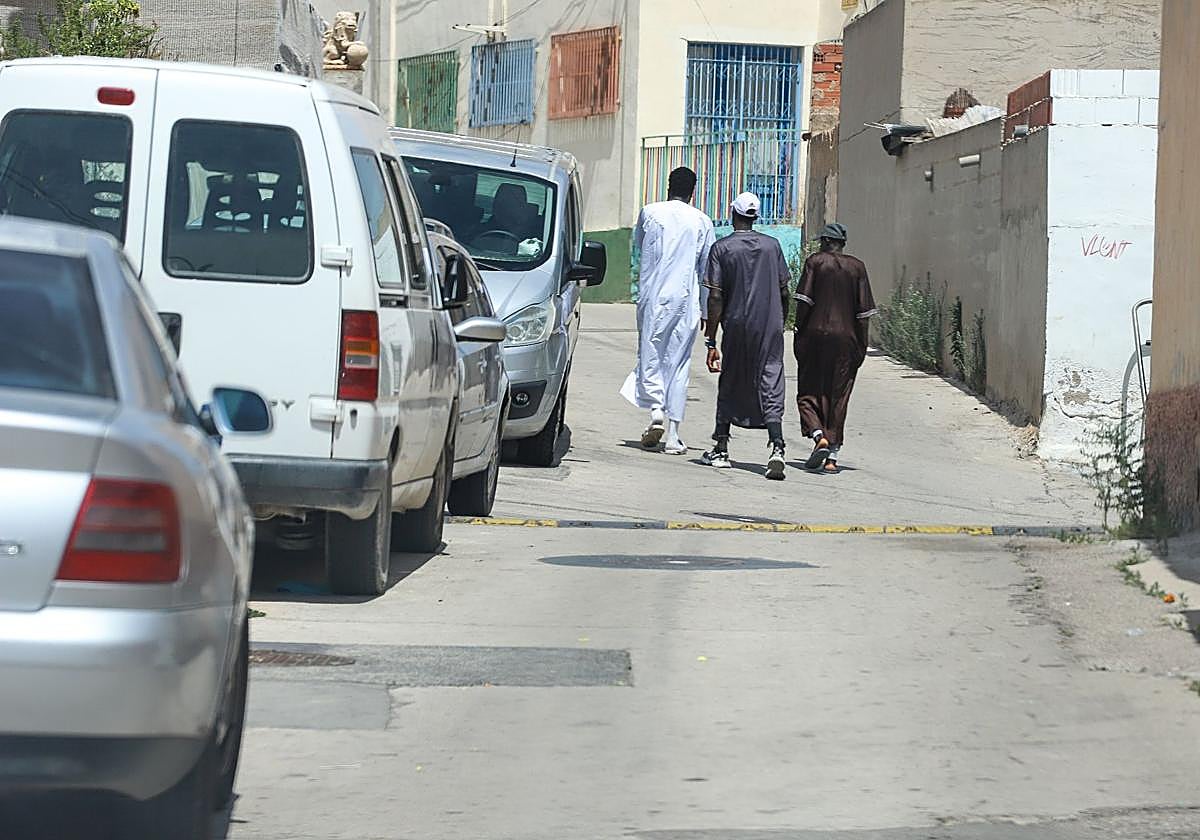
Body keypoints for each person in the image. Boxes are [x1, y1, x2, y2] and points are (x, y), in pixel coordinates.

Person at [620, 166, 716, 454]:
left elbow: (639, 248)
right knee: (679, 363)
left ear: (668, 186)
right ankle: (673, 435)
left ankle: (656, 411)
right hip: (686, 302)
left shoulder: (650, 213)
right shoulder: (702, 221)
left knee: (651, 355)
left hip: (653, 298)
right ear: (693, 191)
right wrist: (708, 314)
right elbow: (707, 271)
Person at [699, 192, 791, 480]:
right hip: (769, 325)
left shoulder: (722, 248)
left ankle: (722, 447)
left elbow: (715, 297)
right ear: (756, 216)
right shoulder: (772, 246)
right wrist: (780, 321)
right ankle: (777, 446)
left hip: (736, 325)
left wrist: (711, 339)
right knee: (771, 379)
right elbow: (784, 290)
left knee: (731, 379)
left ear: (732, 214)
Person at [792, 222, 877, 473]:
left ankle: (819, 436)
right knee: (839, 395)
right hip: (847, 340)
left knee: (808, 392)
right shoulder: (857, 267)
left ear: (827, 242)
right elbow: (864, 315)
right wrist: (863, 344)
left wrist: (798, 332)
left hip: (815, 337)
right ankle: (832, 458)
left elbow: (804, 303)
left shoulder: (815, 262)